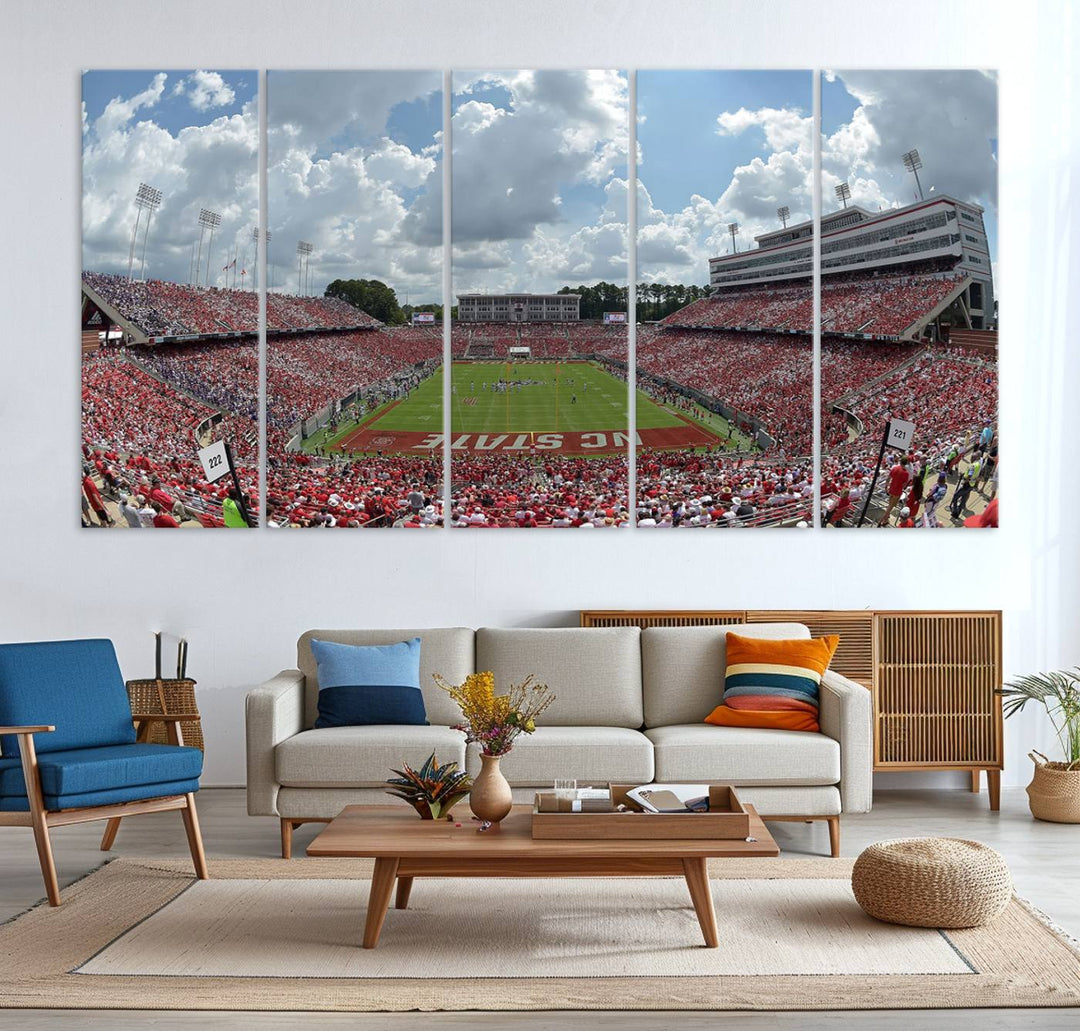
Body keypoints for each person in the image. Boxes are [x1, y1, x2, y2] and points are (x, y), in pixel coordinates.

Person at [879, 456, 911, 525]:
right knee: (890, 507)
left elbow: (888, 478)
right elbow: (904, 485)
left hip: (891, 489)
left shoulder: (895, 468)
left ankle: (886, 518)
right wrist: (900, 488)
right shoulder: (906, 473)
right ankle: (882, 521)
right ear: (906, 463)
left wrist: (886, 486)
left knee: (890, 505)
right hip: (897, 492)